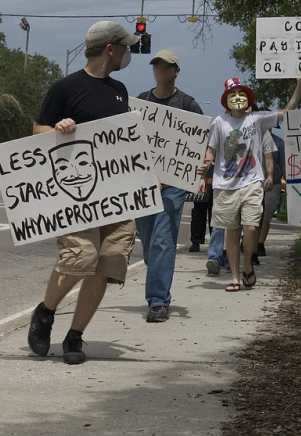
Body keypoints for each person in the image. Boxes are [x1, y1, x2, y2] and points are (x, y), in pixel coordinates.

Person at [27, 21, 140, 365]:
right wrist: (58, 129)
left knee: (109, 262)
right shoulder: (65, 87)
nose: (128, 52)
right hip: (77, 192)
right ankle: (45, 313)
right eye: (125, 47)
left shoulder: (120, 90)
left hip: (117, 195)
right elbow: (38, 130)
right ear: (110, 49)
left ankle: (75, 337)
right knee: (81, 258)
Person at [198, 75, 301, 292]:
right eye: (232, 95)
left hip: (252, 182)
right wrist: (205, 166)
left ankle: (248, 263)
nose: (237, 98)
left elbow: (286, 113)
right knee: (231, 231)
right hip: (225, 185)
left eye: (241, 94)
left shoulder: (257, 119)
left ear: (247, 98)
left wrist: (299, 86)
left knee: (251, 227)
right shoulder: (219, 122)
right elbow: (211, 149)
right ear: (226, 100)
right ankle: (235, 276)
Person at [134, 49, 204, 322]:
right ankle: (158, 279)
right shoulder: (140, 102)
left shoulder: (188, 104)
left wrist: (203, 164)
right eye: (156, 65)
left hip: (174, 184)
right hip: (144, 183)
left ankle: (158, 301)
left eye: (166, 66)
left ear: (176, 71)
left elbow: (201, 143)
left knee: (163, 240)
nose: (160, 70)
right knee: (149, 240)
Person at [256, 128, 285, 264]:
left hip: (273, 184)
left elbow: (283, 165)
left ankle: (260, 244)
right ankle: (250, 241)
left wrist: (288, 183)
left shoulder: (279, 143)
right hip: (253, 182)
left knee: (266, 215)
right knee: (253, 215)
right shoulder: (251, 139)